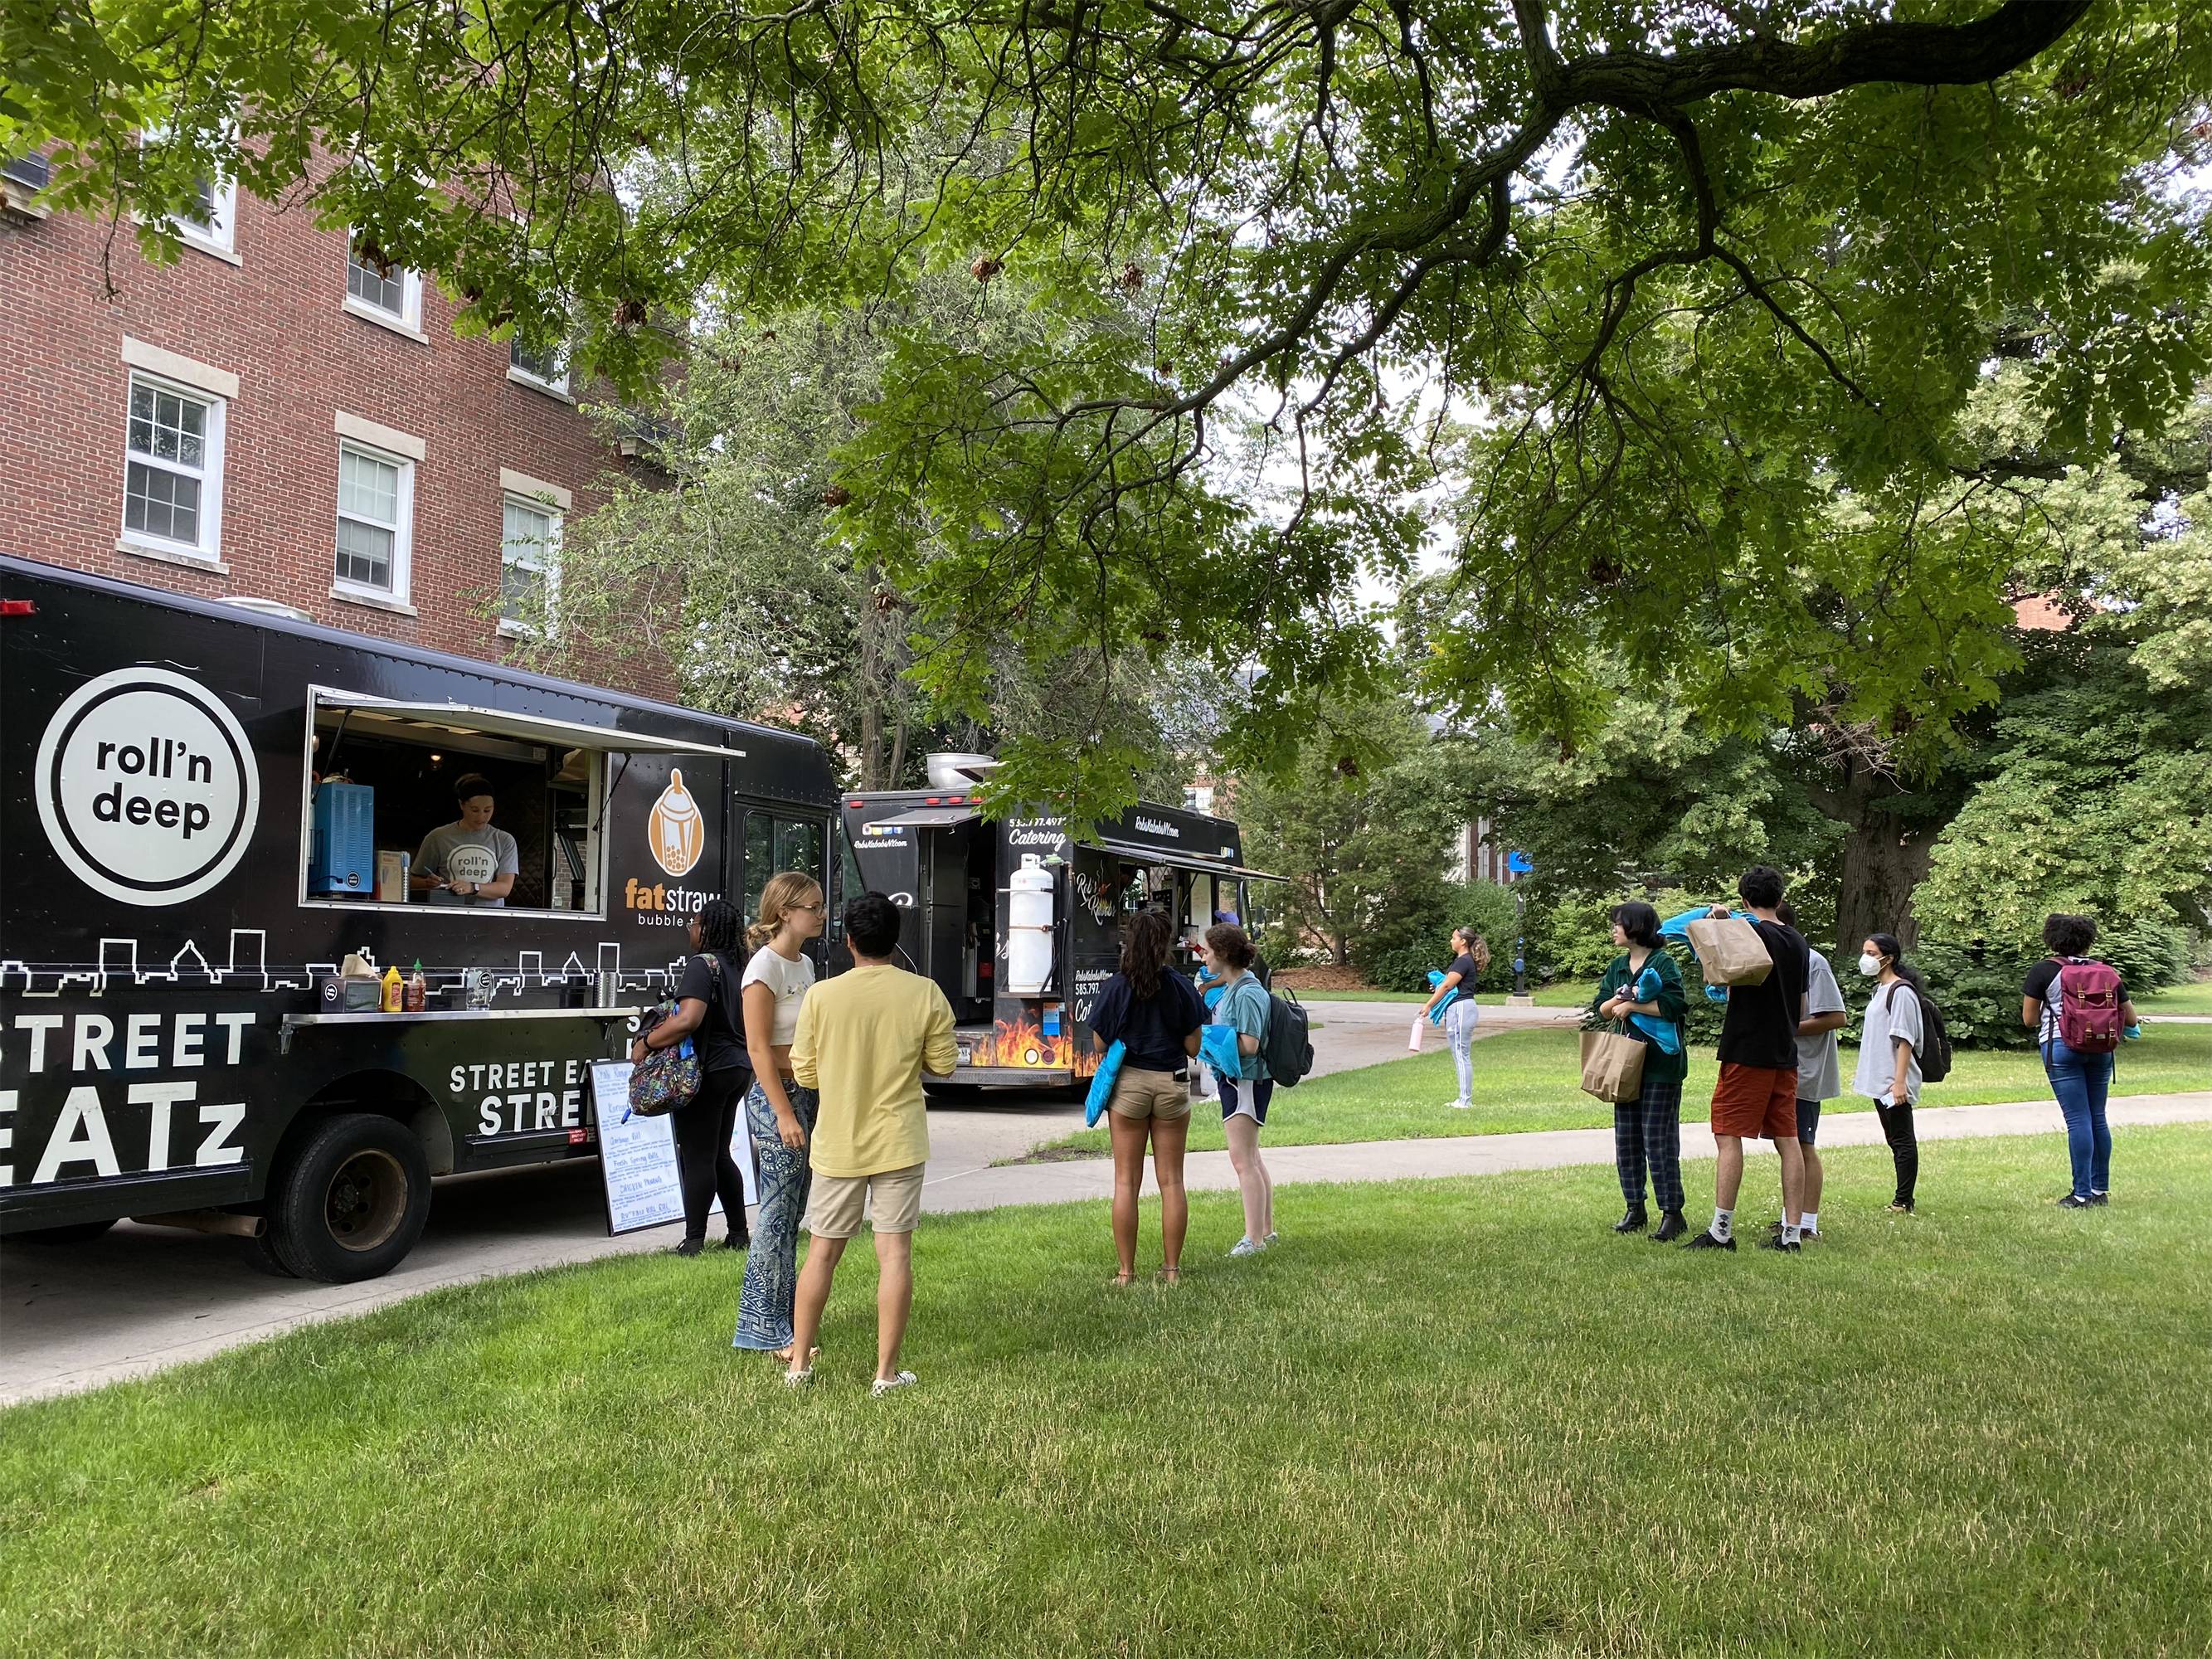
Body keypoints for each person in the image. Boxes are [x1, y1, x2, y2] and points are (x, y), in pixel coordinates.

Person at [785, 891, 958, 1394]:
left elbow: (806, 1074)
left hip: (837, 1140)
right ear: (895, 939)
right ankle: (885, 1374)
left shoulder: (820, 995)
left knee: (821, 1252)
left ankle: (799, 1365)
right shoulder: (925, 993)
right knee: (895, 1255)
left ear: (848, 941)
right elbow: (944, 1065)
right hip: (899, 1140)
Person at [1683, 865, 1811, 1254]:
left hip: (1747, 1049)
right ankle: (1792, 1234)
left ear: (1745, 900)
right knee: (1788, 1140)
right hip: (1785, 1052)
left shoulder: (1751, 931)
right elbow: (1803, 1005)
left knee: (1728, 1134)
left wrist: (1719, 918)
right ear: (1780, 898)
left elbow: (1716, 970)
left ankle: (1721, 1230)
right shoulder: (1798, 942)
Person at [733, 871, 827, 1360]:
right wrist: (784, 1112)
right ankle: (767, 1330)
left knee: (792, 1212)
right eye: (812, 907)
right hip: (777, 1098)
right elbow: (756, 1047)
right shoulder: (763, 969)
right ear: (785, 912)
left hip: (807, 1092)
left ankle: (784, 1319)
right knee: (774, 1214)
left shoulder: (805, 965)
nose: (821, 914)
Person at [1089, 908, 1207, 1285]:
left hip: (1129, 1086)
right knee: (1172, 1181)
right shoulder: (1181, 986)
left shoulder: (1116, 986)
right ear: (1167, 943)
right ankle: (1171, 1270)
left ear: (1130, 940)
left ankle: (1126, 1272)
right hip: (1171, 1083)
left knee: (1126, 1182)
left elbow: (1099, 1042)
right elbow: (1193, 1047)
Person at [630, 898, 751, 1256]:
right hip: (738, 1067)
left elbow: (688, 1019)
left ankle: (693, 1241)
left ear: (708, 928)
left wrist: (646, 1044)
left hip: (707, 1070)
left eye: (694, 922)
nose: (690, 928)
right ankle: (738, 1233)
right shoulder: (740, 965)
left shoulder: (702, 965)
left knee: (698, 1156)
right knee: (719, 1155)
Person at [2022, 912, 2138, 1209]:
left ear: (2052, 939)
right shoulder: (2106, 972)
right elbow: (2131, 1018)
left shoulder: (2044, 971)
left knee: (2078, 1119)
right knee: (2097, 1117)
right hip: (2102, 1050)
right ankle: (2099, 1191)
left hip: (2061, 1049)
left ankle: (2081, 1193)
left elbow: (2029, 1019)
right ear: (2089, 941)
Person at [1591, 902, 1689, 1240]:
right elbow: (1601, 1008)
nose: (1614, 930)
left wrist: (1631, 1005)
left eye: (1619, 924)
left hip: (1661, 1066)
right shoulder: (1618, 966)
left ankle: (1672, 1213)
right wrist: (1617, 1003)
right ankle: (1635, 1207)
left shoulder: (1663, 963)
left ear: (1637, 927)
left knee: (1658, 1141)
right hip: (1624, 1065)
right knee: (1627, 1139)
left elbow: (1675, 1006)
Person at [1202, 922, 1275, 1256]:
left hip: (1244, 1080)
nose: (1204, 956)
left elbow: (1249, 1043)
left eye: (1208, 950)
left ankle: (1254, 1240)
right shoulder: (1237, 986)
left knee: (1242, 1160)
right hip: (1238, 1078)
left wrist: (1210, 1038)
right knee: (1253, 1159)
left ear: (1223, 954)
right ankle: (1265, 1232)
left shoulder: (1246, 992)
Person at [1777, 899, 1847, 1243]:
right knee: (1787, 1143)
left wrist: (1785, 1028)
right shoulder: (1775, 960)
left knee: (1803, 1144)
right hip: (1781, 1065)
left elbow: (1836, 1017)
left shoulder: (1812, 962)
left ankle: (1808, 1225)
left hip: (1805, 1071)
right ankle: (1788, 1218)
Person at [1854, 932, 1928, 1215]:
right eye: (1865, 952)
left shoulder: (1902, 992)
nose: (1866, 959)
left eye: (1872, 954)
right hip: (1880, 1079)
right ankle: (1902, 1197)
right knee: (1894, 1139)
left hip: (1893, 1082)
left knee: (1902, 1139)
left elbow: (1905, 1039)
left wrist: (1900, 1083)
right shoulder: (1879, 992)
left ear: (1889, 958)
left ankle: (1903, 1200)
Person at [411, 773, 518, 906]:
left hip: (490, 919)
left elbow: (504, 888)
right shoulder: (438, 837)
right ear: (461, 804)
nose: (481, 817)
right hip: (448, 916)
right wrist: (427, 883)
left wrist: (472, 887)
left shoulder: (504, 840)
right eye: (474, 810)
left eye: (487, 810)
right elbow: (411, 881)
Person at [1420, 927, 1490, 1111]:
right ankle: (1463, 1098)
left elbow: (1447, 986)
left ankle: (1465, 1100)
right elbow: (1447, 985)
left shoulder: (1463, 961)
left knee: (1461, 1055)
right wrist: (1439, 988)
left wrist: (1429, 1005)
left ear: (1463, 942)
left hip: (1461, 1009)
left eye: (1453, 938)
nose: (1451, 941)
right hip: (1461, 1008)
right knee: (1460, 1054)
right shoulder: (1463, 961)